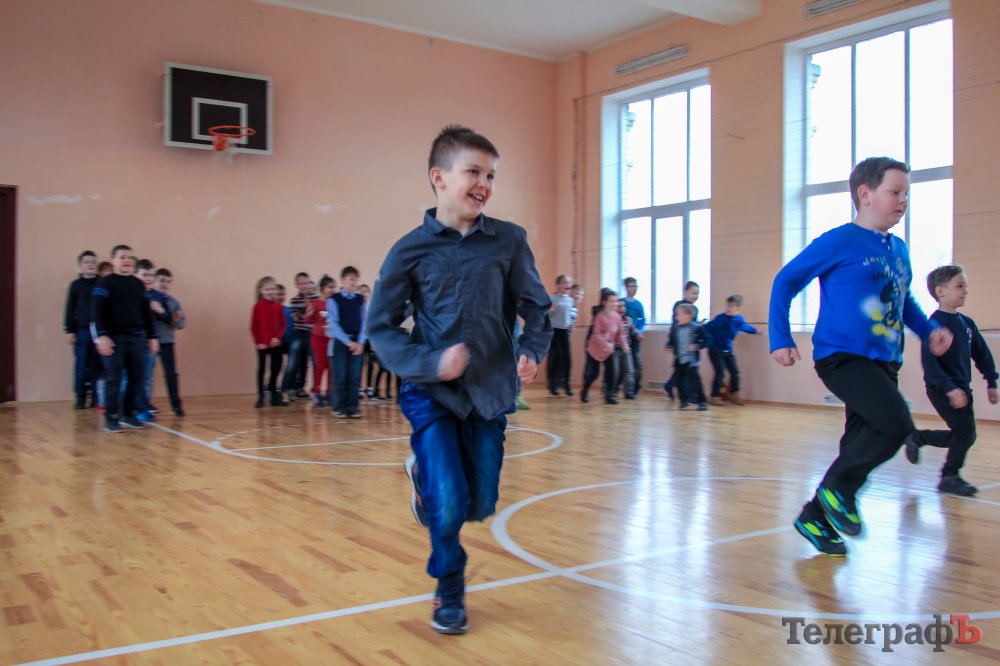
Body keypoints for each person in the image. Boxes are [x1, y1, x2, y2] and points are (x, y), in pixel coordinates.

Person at [367, 124, 552, 635]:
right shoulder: (409, 250)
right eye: (473, 172)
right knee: (449, 501)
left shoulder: (509, 240)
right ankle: (449, 587)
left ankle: (423, 482)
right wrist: (431, 364)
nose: (484, 184)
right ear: (439, 177)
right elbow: (380, 327)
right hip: (432, 393)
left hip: (490, 392)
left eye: (491, 175)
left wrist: (532, 350)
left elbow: (538, 307)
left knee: (479, 502)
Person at [769, 156, 953, 557]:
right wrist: (780, 337)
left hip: (885, 360)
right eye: (894, 192)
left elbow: (903, 301)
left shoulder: (898, 249)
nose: (902, 201)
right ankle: (839, 492)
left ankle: (814, 517)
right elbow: (786, 280)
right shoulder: (839, 241)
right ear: (865, 194)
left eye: (906, 194)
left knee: (857, 443)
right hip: (843, 357)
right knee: (894, 424)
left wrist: (928, 332)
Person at [904, 266, 998, 495]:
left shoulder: (967, 324)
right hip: (941, 388)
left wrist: (992, 382)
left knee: (965, 435)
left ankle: (919, 437)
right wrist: (950, 388)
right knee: (965, 433)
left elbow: (983, 355)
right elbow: (931, 366)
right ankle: (949, 476)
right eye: (959, 286)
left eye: (965, 286)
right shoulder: (933, 326)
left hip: (962, 387)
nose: (965, 291)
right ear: (941, 291)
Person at [92, 245, 158, 433]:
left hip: (136, 338)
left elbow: (146, 312)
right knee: (114, 378)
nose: (127, 260)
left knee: (137, 377)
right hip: (113, 339)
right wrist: (101, 336)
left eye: (130, 257)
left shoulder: (138, 284)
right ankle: (111, 418)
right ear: (113, 261)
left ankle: (128, 414)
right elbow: (96, 311)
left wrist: (152, 336)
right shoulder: (105, 282)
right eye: (122, 257)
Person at [327, 266, 367, 418]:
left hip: (357, 341)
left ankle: (353, 407)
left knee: (355, 376)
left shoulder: (360, 299)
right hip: (341, 342)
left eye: (356, 279)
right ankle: (339, 407)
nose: (354, 282)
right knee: (341, 375)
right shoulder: (334, 299)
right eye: (351, 279)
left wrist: (360, 342)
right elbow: (333, 324)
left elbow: (365, 322)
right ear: (343, 280)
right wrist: (348, 342)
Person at [703, 295, 758, 406]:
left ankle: (734, 394)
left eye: (732, 306)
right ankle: (714, 396)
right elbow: (707, 327)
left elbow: (746, 327)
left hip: (727, 350)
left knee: (734, 372)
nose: (729, 308)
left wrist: (756, 331)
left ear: (738, 308)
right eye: (728, 305)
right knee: (720, 372)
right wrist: (698, 330)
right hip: (715, 349)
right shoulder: (720, 318)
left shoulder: (739, 320)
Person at [64, 250, 100, 409]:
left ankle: (96, 397)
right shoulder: (75, 285)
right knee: (81, 365)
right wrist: (69, 330)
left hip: (99, 331)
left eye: (93, 262)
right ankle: (80, 397)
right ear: (80, 266)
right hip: (81, 331)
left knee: (96, 366)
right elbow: (69, 308)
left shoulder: (102, 283)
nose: (90, 264)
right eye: (87, 262)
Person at [581, 290, 629, 405]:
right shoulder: (600, 316)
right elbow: (596, 334)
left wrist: (624, 345)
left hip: (609, 350)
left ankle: (609, 395)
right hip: (595, 350)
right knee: (594, 373)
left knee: (613, 371)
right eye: (611, 301)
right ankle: (585, 390)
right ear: (604, 302)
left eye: (616, 301)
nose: (614, 304)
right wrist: (605, 344)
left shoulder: (617, 317)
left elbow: (620, 334)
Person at [152, 268, 186, 417]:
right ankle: (142, 404)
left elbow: (181, 324)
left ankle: (176, 405)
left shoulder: (173, 302)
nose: (164, 284)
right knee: (146, 376)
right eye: (161, 280)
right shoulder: (148, 299)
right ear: (154, 281)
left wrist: (174, 319)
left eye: (168, 281)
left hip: (166, 342)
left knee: (171, 374)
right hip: (149, 342)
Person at [250, 276, 287, 408]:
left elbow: (283, 325)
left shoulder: (278, 306)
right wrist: (258, 342)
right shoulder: (257, 306)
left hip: (275, 344)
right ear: (261, 291)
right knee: (262, 370)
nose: (270, 292)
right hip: (262, 345)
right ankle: (260, 397)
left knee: (275, 369)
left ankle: (273, 396)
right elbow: (253, 326)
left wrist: (277, 337)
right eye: (267, 289)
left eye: (272, 289)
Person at [667, 303, 709, 410]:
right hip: (679, 359)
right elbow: (671, 340)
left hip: (691, 361)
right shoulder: (675, 328)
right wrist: (669, 346)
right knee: (679, 381)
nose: (677, 317)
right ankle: (683, 401)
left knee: (695, 382)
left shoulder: (697, 328)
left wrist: (697, 346)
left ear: (688, 316)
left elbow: (708, 340)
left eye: (679, 315)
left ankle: (702, 402)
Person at [664, 281, 700, 400]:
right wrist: (671, 343)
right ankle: (688, 395)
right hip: (680, 343)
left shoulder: (695, 309)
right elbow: (675, 324)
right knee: (685, 368)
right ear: (685, 292)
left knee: (683, 369)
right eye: (693, 293)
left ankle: (670, 386)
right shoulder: (679, 305)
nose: (696, 296)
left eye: (697, 293)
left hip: (689, 343)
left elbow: (691, 325)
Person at [303, 275, 336, 407]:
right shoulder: (316, 303)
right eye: (329, 287)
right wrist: (309, 312)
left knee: (331, 367)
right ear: (322, 289)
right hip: (318, 339)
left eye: (333, 287)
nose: (332, 290)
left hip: (331, 339)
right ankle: (316, 392)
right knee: (320, 365)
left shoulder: (334, 303)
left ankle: (329, 393)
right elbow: (307, 320)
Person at [547, 274, 575, 396]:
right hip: (553, 330)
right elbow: (547, 314)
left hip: (564, 331)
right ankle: (553, 383)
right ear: (558, 285)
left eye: (569, 282)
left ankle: (566, 383)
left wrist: (571, 324)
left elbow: (571, 315)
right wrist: (550, 310)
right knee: (556, 355)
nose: (568, 285)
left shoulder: (571, 300)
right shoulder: (552, 298)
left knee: (567, 356)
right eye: (564, 282)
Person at [622, 277, 646, 398]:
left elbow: (642, 320)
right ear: (626, 288)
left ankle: (635, 388)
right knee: (625, 364)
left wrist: (639, 331)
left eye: (636, 286)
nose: (635, 289)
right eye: (632, 286)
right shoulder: (622, 302)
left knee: (637, 363)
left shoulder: (638, 304)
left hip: (635, 336)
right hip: (623, 337)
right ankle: (626, 389)